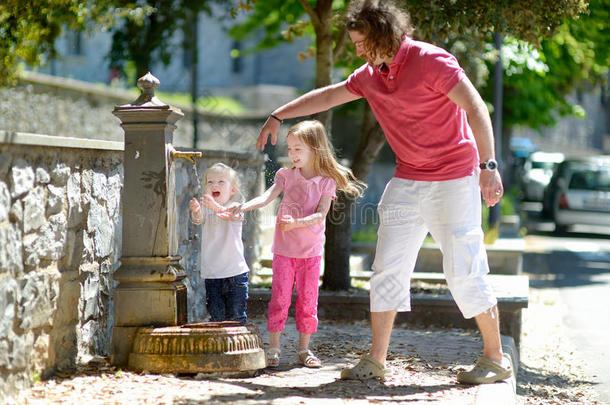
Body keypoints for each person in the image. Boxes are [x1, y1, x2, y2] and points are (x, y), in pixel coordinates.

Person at [255, 0, 511, 384]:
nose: (357, 51)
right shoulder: (371, 74)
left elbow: (475, 108)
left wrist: (487, 166)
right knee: (386, 266)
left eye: (362, 43)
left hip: (454, 177)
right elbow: (330, 95)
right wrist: (279, 114)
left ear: (384, 35)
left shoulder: (432, 61)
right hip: (408, 178)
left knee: (463, 266)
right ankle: (376, 359)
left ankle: (495, 358)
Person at [232, 120, 365, 368]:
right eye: (290, 148)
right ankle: (273, 348)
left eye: (298, 149)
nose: (292, 154)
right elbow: (266, 197)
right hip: (284, 252)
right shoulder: (285, 176)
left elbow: (320, 215)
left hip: (311, 254)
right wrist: (243, 206)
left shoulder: (326, 182)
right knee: (279, 300)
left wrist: (295, 224)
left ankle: (304, 350)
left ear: (315, 149)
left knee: (307, 302)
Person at [189, 163, 250, 324]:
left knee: (236, 316)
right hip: (212, 273)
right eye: (210, 182)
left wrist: (214, 206)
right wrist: (196, 211)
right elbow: (198, 220)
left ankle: (237, 345)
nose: (214, 185)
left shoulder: (235, 207)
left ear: (233, 190)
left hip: (234, 273)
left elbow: (230, 216)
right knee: (217, 316)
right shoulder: (207, 209)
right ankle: (220, 348)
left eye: (221, 182)